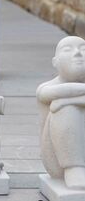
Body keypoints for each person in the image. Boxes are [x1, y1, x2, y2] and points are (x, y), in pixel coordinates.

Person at [37, 36, 85, 189]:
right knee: (66, 109)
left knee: (62, 104)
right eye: (68, 49)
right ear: (55, 62)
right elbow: (51, 94)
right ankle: (74, 169)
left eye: (83, 49)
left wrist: (65, 100)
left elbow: (63, 97)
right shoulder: (47, 88)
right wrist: (66, 103)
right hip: (58, 160)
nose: (78, 53)